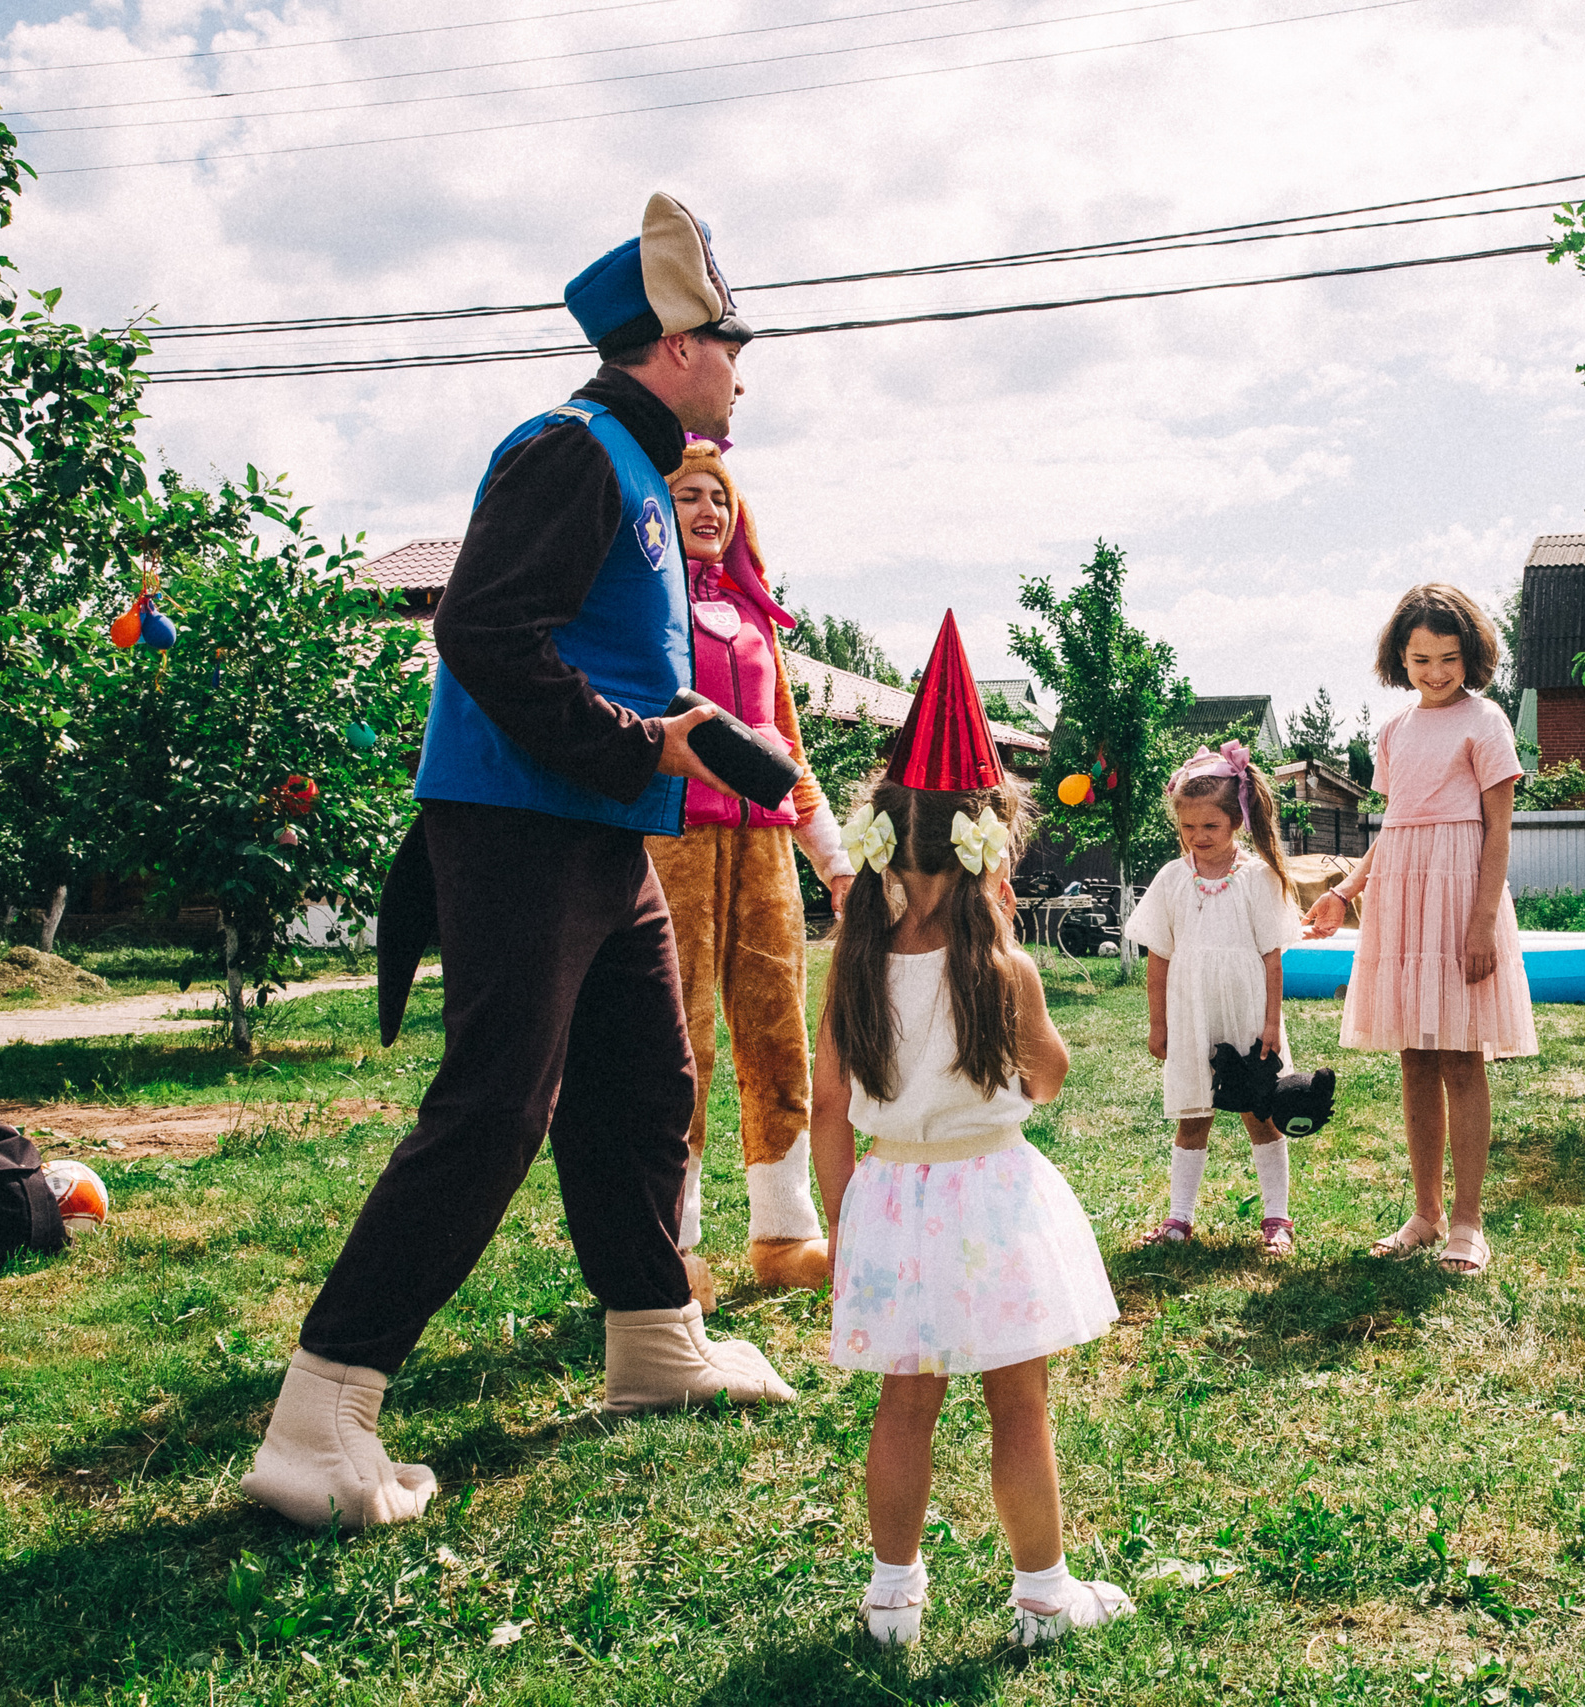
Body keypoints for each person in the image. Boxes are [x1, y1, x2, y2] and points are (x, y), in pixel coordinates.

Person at [241, 193, 793, 1533]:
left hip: (594, 829)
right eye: (730, 343)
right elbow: (484, 634)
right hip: (518, 824)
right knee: (495, 1106)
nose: (742, 367)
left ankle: (655, 1337)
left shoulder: (633, 464)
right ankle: (319, 1416)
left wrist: (671, 732)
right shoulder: (571, 449)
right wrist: (641, 743)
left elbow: (580, 645)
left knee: (643, 1082)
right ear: (676, 344)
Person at [811, 612, 1130, 1649]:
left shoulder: (855, 964)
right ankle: (1043, 1595)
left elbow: (826, 1106)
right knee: (1018, 1405)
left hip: (889, 1197)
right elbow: (1048, 1079)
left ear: (886, 840)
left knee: (904, 1406)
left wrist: (840, 1220)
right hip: (990, 1201)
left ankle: (890, 1600)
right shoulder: (1002, 968)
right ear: (987, 844)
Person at [651, 437, 855, 1305]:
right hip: (673, 841)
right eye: (689, 495)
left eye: (720, 498)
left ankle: (785, 1231)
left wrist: (837, 863)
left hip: (765, 851)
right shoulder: (645, 606)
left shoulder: (756, 618)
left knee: (778, 1033)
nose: (708, 510)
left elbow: (790, 752)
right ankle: (670, 1243)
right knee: (678, 1045)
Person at [1301, 583, 1534, 1277]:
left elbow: (1499, 832)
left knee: (1461, 1057)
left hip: (1461, 895)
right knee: (1414, 1057)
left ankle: (1468, 1221)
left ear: (1472, 655)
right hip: (1403, 896)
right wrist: (1344, 891)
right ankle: (1425, 1214)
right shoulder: (1395, 730)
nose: (1436, 672)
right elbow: (1395, 825)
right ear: (1400, 657)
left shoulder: (1485, 721)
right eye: (1422, 658)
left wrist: (1482, 922)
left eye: (1450, 658)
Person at [1128, 741, 1303, 1255]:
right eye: (1188, 826)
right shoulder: (1171, 879)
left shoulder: (1256, 878)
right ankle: (1179, 1218)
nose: (1198, 836)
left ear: (1237, 822)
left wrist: (1271, 1024)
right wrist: (1158, 1023)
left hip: (1247, 1013)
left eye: (1210, 825)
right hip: (1192, 1015)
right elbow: (1158, 957)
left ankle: (1277, 1218)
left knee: (1260, 1114)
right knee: (1192, 1114)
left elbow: (1272, 959)